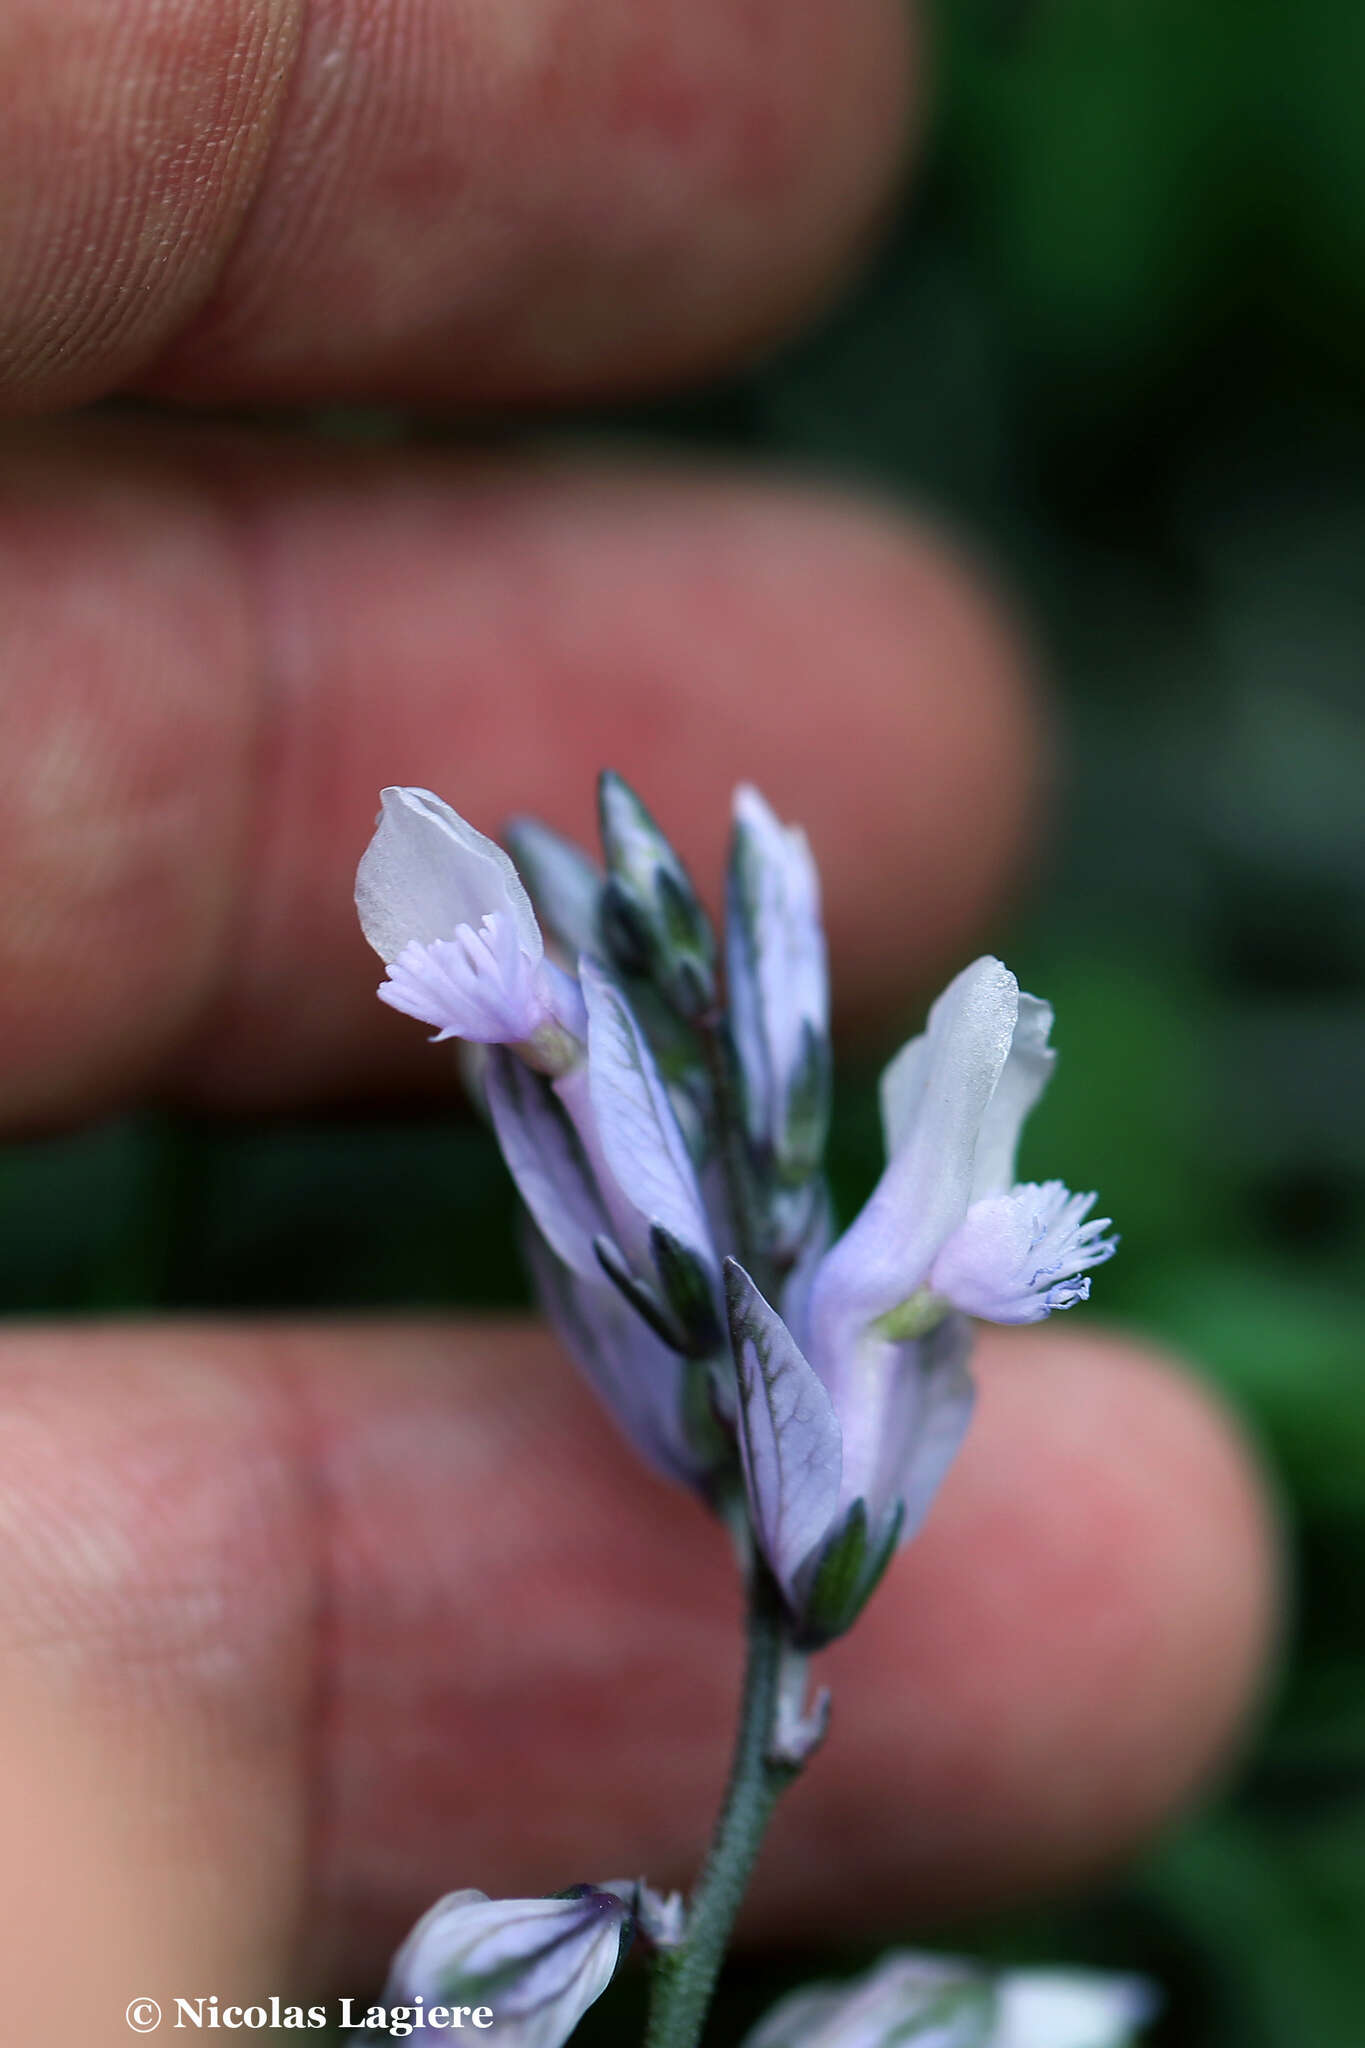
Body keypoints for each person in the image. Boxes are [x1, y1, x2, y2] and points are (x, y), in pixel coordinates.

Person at [0, 1, 1275, 2036]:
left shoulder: (854, 1317)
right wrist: (554, 1039)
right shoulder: (647, 1153)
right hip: (729, 1267)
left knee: (865, 1281)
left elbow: (886, 1268)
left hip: (792, 1332)